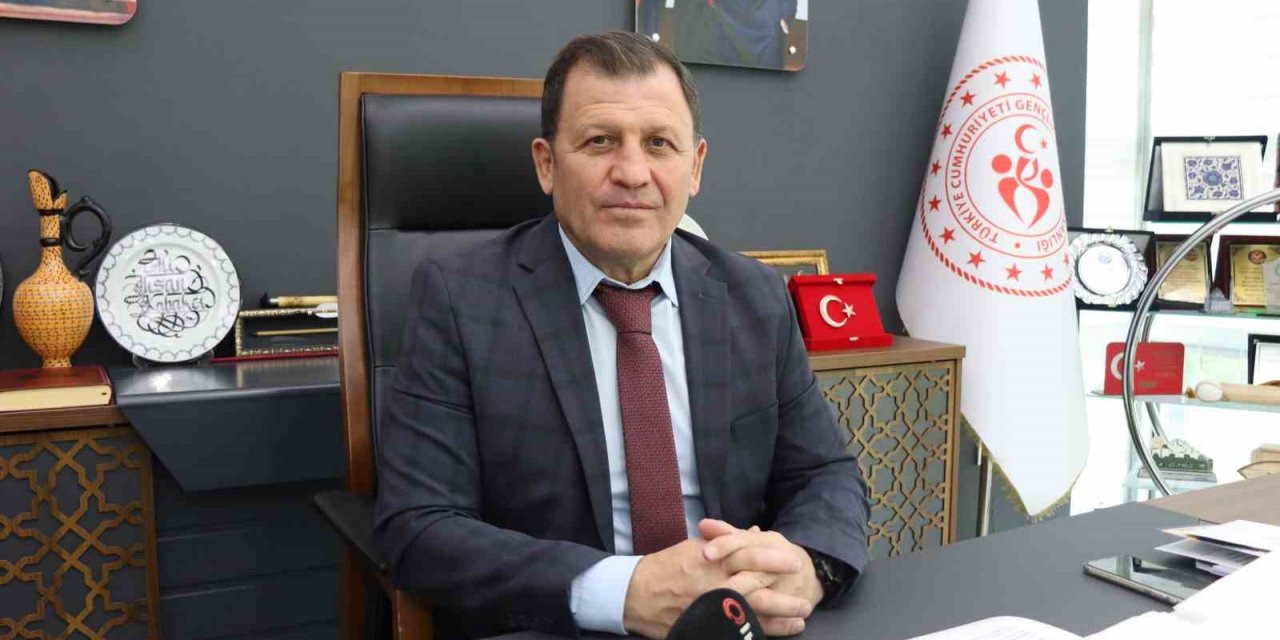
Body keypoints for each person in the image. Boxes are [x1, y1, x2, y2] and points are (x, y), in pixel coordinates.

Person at [374, 31, 868, 640]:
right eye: (600, 141)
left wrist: (808, 567)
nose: (632, 173)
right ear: (547, 164)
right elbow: (419, 527)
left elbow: (825, 474)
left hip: (735, 624)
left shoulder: (755, 296)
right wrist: (623, 591)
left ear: (695, 167)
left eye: (659, 143)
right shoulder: (459, 300)